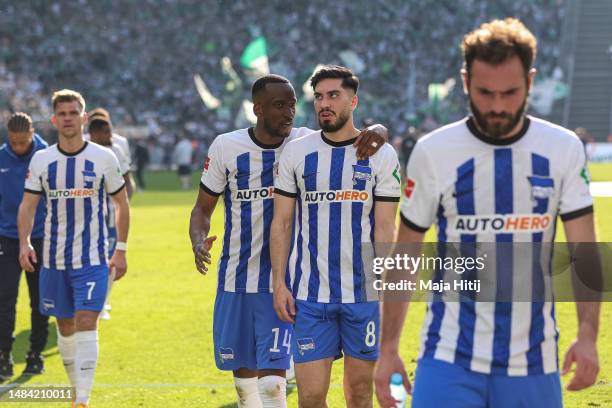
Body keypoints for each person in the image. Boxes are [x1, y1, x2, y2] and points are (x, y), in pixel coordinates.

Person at [375, 18, 600, 408]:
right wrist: (389, 347)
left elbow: (586, 249)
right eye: (484, 92)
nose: (497, 106)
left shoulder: (562, 149)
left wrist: (588, 335)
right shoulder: (434, 151)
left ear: (530, 81)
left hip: (534, 362)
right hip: (447, 359)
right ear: (465, 82)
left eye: (510, 92)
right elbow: (406, 253)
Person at [189, 73, 388, 408]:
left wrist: (380, 130)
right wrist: (197, 239)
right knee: (244, 382)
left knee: (272, 384)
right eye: (279, 105)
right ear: (258, 109)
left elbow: (348, 132)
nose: (289, 112)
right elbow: (202, 208)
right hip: (236, 277)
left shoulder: (305, 141)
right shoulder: (226, 147)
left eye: (293, 104)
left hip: (287, 282)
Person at [270, 66, 400, 408]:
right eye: (319, 97)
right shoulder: (297, 152)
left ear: (353, 101)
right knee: (311, 398)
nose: (324, 103)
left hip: (363, 295)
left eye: (333, 96)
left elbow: (387, 227)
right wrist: (279, 284)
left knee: (359, 394)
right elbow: (281, 223)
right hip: (310, 296)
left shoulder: (381, 154)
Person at [17, 89, 130, 408]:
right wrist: (24, 241)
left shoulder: (104, 158)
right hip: (53, 259)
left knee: (86, 320)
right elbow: (27, 205)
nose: (68, 118)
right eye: (62, 114)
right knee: (65, 325)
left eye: (73, 113)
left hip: (93, 258)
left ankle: (82, 397)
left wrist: (120, 248)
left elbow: (121, 203)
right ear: (54, 120)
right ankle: (75, 388)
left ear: (84, 117)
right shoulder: (42, 160)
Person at [0, 113, 49, 379]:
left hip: (41, 236)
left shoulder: (46, 155)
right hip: (6, 237)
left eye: (23, 142)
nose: (18, 147)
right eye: (14, 142)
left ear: (32, 133)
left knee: (40, 300)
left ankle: (35, 354)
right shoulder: (1, 157)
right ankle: (3, 356)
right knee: (4, 299)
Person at [88, 110, 134, 320]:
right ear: (94, 133)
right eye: (106, 132)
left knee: (112, 259)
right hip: (89, 218)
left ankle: (102, 302)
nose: (110, 135)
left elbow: (128, 181)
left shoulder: (117, 149)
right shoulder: (84, 150)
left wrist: (124, 205)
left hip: (111, 217)